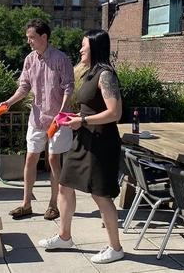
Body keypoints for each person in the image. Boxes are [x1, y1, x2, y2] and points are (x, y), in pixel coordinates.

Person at [38, 29, 124, 264]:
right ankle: (64, 236)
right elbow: (93, 108)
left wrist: (83, 120)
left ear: (94, 48)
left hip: (101, 143)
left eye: (83, 46)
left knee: (101, 195)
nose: (80, 49)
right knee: (65, 184)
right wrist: (75, 116)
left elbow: (115, 113)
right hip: (83, 139)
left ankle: (115, 248)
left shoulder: (106, 75)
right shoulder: (91, 73)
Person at [1, 18, 75, 221]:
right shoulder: (29, 60)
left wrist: (61, 113)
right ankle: (26, 204)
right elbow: (24, 87)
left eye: (32, 37)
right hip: (37, 118)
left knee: (53, 159)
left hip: (58, 119)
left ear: (44, 37)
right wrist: (8, 103)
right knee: (31, 157)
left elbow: (69, 87)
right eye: (28, 38)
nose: (29, 41)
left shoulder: (61, 59)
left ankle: (53, 204)